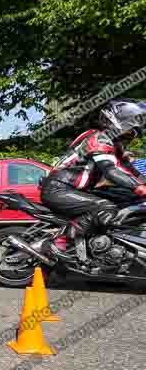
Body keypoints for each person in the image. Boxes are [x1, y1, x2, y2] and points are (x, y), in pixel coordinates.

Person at [41, 98, 146, 265]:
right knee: (106, 207)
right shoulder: (98, 139)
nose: (133, 135)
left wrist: (142, 183)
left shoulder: (113, 144)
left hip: (74, 189)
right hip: (59, 188)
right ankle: (60, 242)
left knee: (126, 199)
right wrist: (139, 187)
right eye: (131, 130)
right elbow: (110, 171)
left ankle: (107, 256)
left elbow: (130, 170)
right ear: (119, 123)